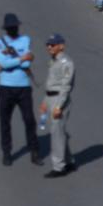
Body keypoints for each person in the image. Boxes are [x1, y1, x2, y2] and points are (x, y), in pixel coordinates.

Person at [0, 12, 39, 167]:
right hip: (6, 87)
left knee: (29, 120)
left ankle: (34, 150)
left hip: (23, 87)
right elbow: (3, 63)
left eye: (15, 27)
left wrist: (13, 60)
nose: (13, 29)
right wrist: (21, 58)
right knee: (5, 121)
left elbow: (25, 64)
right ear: (6, 29)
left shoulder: (25, 39)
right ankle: (6, 152)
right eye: (10, 27)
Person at [41, 33, 76, 177]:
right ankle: (69, 161)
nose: (49, 47)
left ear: (61, 46)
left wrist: (58, 106)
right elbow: (51, 82)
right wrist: (45, 101)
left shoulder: (66, 63)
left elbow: (66, 86)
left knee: (56, 134)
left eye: (53, 44)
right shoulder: (53, 60)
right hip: (50, 98)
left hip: (58, 100)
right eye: (48, 44)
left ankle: (59, 167)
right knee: (59, 132)